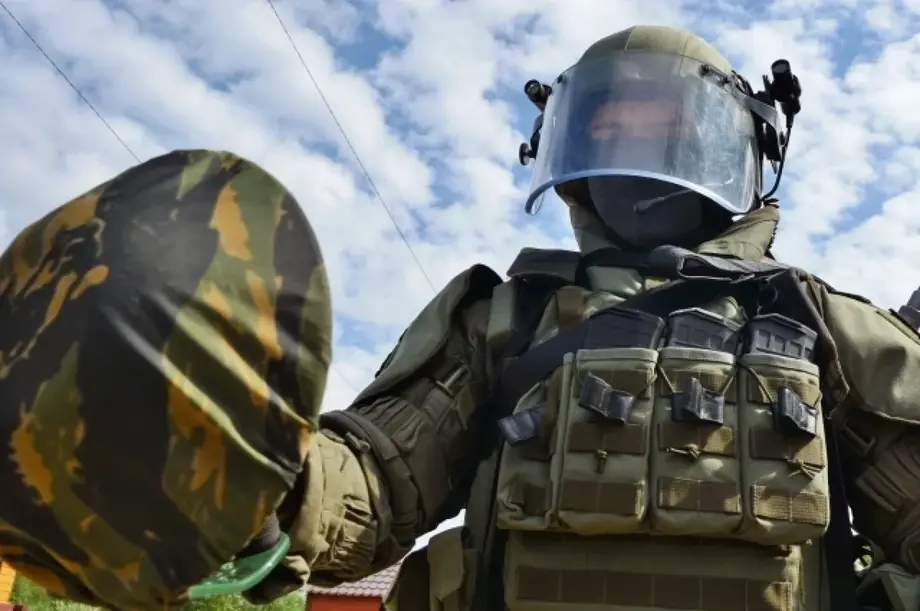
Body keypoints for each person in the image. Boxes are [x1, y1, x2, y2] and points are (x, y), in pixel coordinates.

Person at [2, 24, 920, 611]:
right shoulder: (506, 316)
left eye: (662, 129)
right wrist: (244, 463)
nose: (635, 151)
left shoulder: (814, 326)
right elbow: (374, 482)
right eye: (609, 127)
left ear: (738, 148)